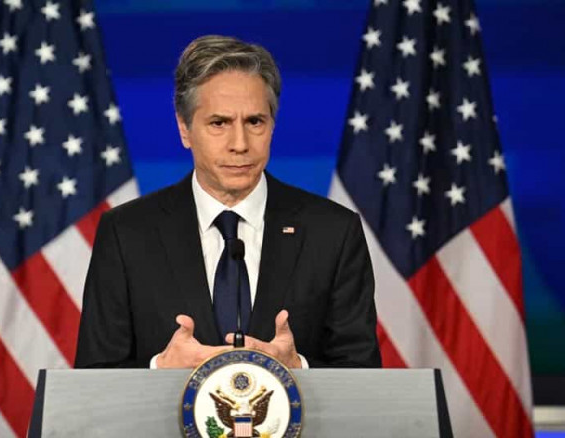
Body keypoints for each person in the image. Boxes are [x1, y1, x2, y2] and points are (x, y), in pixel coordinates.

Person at [74, 35, 381, 369]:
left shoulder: (333, 232)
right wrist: (160, 369)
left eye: (254, 122)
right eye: (219, 123)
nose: (240, 144)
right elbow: (93, 377)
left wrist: (299, 369)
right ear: (184, 129)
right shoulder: (126, 233)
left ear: (272, 125)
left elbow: (363, 374)